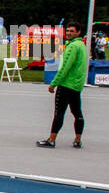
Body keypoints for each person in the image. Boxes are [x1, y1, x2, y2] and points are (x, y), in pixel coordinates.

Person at [37, 21, 86, 149]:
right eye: (68, 30)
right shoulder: (82, 45)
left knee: (59, 113)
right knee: (77, 113)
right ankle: (78, 140)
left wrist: (54, 83)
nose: (68, 33)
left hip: (66, 84)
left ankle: (52, 140)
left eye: (72, 31)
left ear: (78, 32)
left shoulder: (73, 47)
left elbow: (65, 67)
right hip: (76, 85)